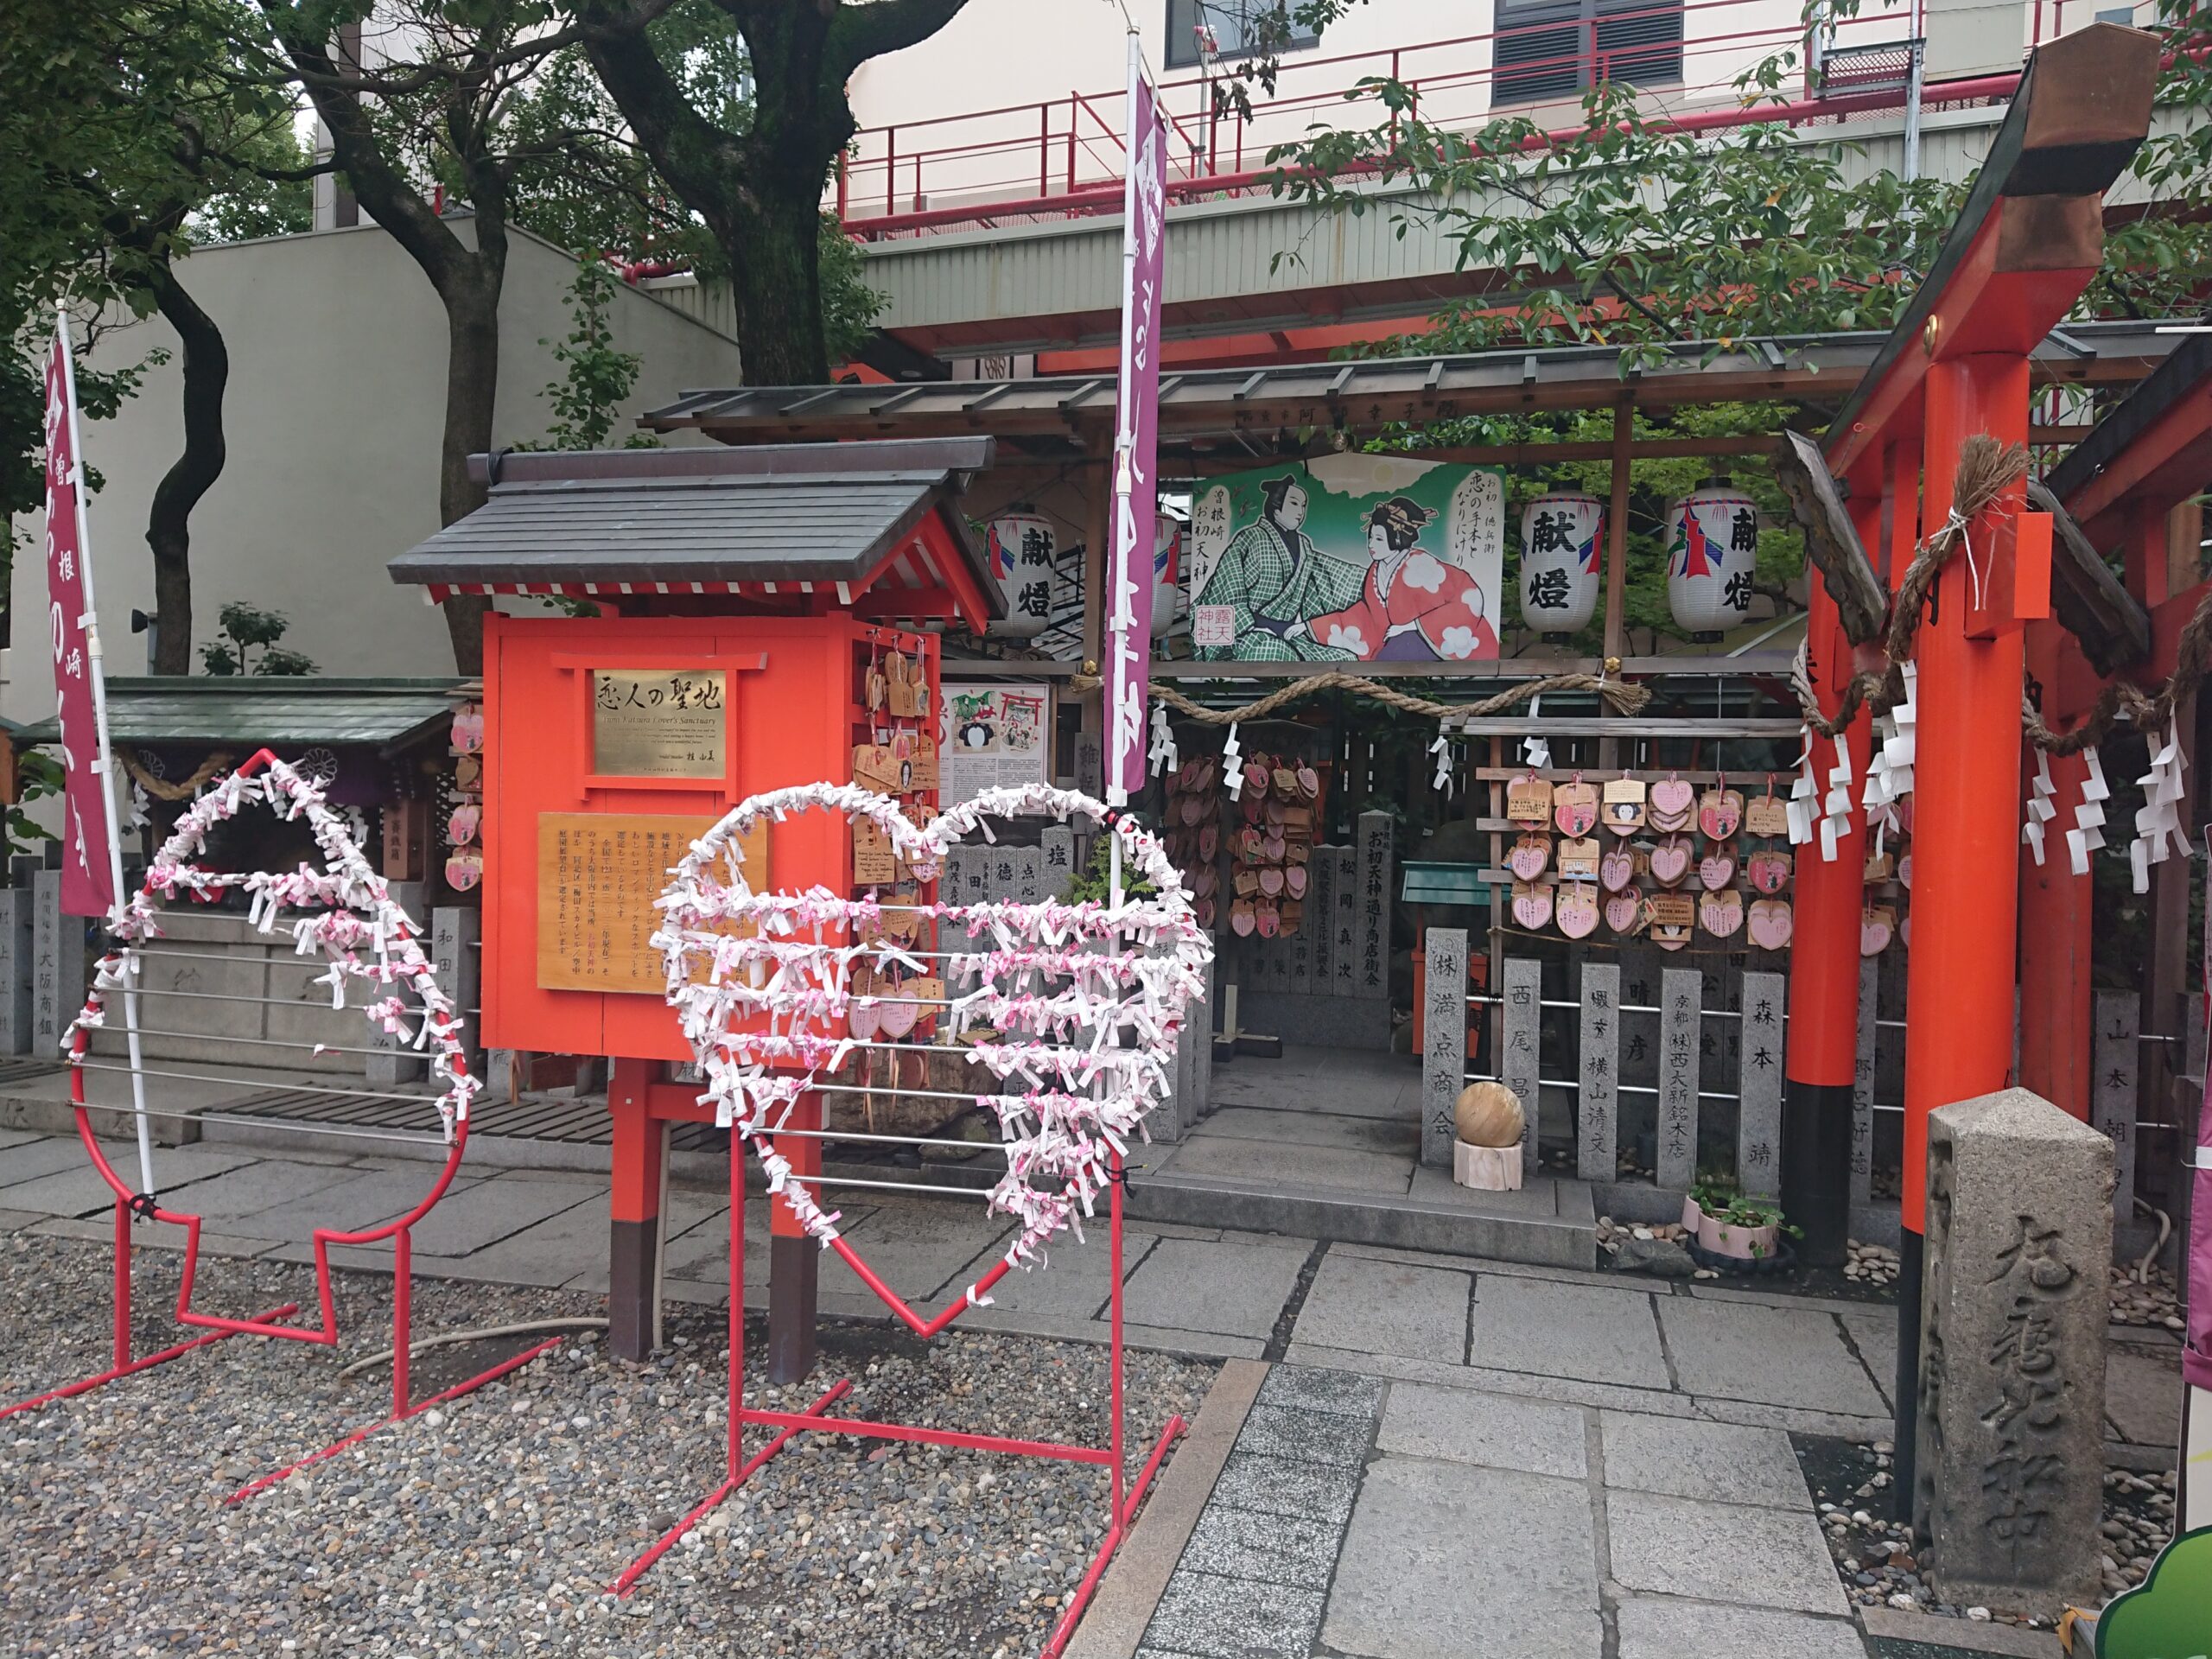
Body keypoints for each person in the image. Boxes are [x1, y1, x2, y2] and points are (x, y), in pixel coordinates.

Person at [1306, 495, 1499, 661]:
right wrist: (1309, 626)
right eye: (1371, 538)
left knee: (1388, 658)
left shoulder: (1420, 564)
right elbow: (1366, 616)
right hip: (1400, 638)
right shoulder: (1375, 571)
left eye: (1379, 539)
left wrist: (1410, 626)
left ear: (1397, 538)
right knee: (1385, 658)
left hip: (1435, 637)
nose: (1371, 544)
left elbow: (1467, 594)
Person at [1193, 474, 1363, 661]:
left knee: (1345, 659)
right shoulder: (1251, 538)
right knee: (1278, 653)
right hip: (1250, 636)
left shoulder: (1304, 546)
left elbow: (1328, 573)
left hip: (1289, 636)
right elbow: (1228, 586)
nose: (1300, 511)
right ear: (1276, 505)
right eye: (1294, 503)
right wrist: (1250, 626)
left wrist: (1370, 578)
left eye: (1303, 505)